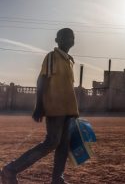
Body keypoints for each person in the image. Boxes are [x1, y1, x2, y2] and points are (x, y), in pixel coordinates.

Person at [0, 28, 79, 184]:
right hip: (55, 109)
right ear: (57, 40)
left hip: (68, 111)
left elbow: (67, 87)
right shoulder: (52, 57)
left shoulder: (69, 61)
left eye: (72, 37)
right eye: (65, 37)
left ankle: (58, 179)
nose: (69, 39)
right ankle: (10, 170)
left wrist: (74, 110)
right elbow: (41, 80)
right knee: (51, 142)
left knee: (63, 146)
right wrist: (39, 106)